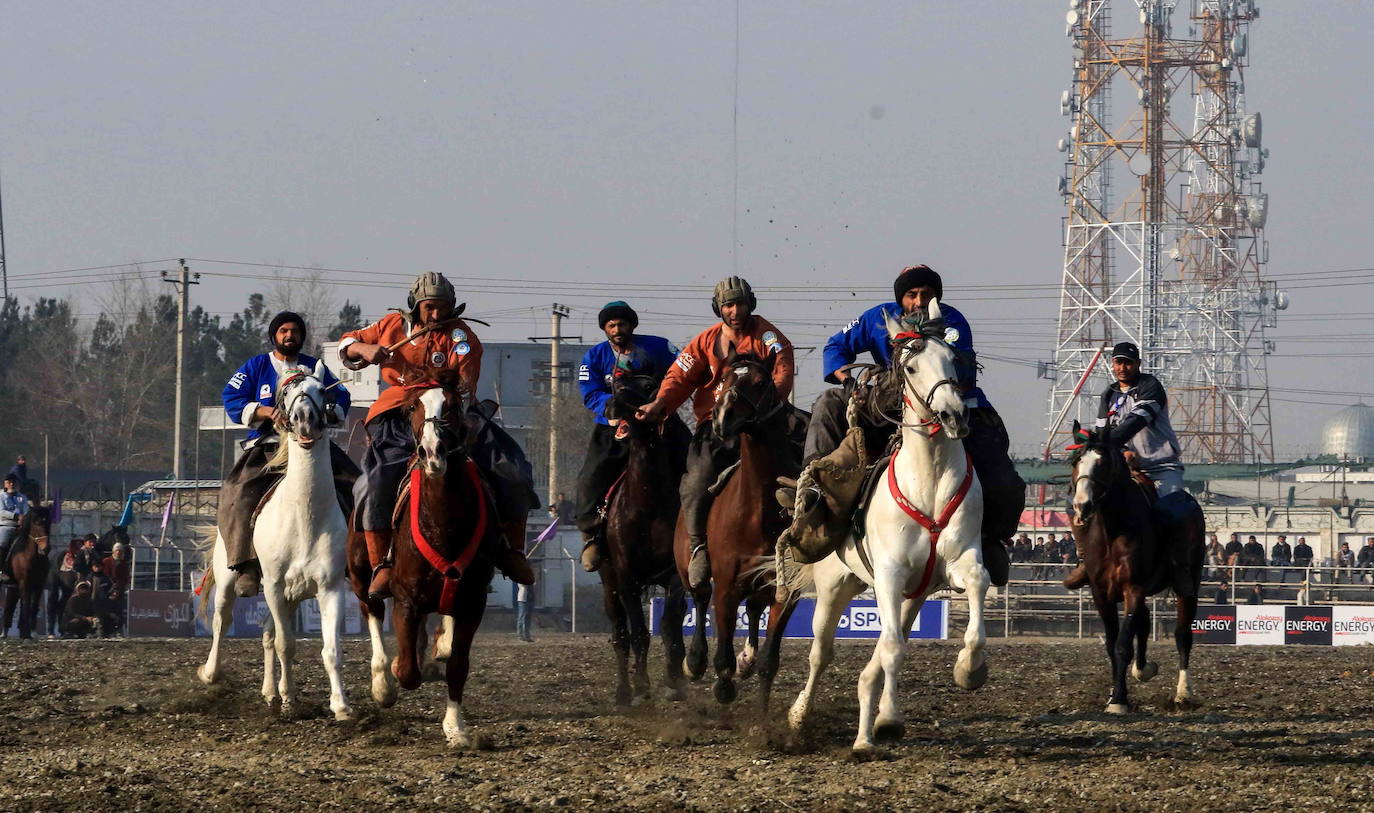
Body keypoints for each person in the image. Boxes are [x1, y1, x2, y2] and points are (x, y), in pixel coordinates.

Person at [781, 265, 1022, 586]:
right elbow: (835, 346)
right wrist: (848, 381)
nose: (920, 301)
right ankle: (812, 489)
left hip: (955, 406)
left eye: (927, 294)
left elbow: (958, 363)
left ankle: (991, 540)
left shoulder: (951, 321)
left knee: (1005, 482)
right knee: (827, 402)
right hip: (890, 403)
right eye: (912, 295)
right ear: (901, 298)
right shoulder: (877, 318)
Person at [339, 271, 536, 599]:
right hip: (399, 414)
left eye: (442, 308)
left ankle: (511, 551)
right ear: (415, 307)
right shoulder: (390, 327)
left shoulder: (461, 336)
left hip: (452, 415)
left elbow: (465, 385)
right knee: (374, 482)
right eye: (429, 308)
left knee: (512, 470)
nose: (436, 315)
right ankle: (382, 566)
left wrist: (441, 391)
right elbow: (347, 342)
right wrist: (364, 349)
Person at [635, 276, 799, 589]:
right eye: (728, 304)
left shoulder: (768, 336)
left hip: (763, 423)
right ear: (718, 308)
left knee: (801, 469)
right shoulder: (702, 343)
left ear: (750, 304)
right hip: (716, 427)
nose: (735, 310)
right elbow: (677, 379)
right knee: (696, 480)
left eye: (740, 303)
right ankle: (697, 547)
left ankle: (801, 544)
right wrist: (659, 404)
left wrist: (773, 398)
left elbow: (783, 369)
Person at [219, 311, 359, 597]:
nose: (289, 335)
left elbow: (340, 395)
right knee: (237, 490)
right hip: (268, 445)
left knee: (356, 484)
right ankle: (244, 563)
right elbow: (231, 398)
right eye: (283, 330)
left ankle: (360, 559)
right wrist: (266, 411)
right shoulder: (256, 366)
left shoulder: (314, 367)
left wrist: (330, 411)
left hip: (311, 443)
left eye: (294, 331)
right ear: (274, 335)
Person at [572, 301, 688, 572]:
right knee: (589, 478)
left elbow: (683, 373)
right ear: (604, 329)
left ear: (632, 325)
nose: (617, 329)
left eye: (622, 324)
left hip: (660, 423)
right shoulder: (594, 357)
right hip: (614, 429)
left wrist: (662, 402)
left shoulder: (660, 347)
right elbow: (589, 392)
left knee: (695, 465)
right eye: (611, 325)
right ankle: (592, 537)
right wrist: (609, 405)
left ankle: (700, 535)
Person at [1065, 341, 1186, 589]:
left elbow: (1137, 420)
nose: (1123, 367)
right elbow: (1103, 433)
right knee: (1076, 501)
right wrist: (1119, 451)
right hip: (1124, 469)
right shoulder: (1108, 395)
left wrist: (1114, 444)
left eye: (1128, 362)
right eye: (1118, 362)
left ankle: (1179, 568)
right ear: (1112, 365)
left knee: (1173, 510)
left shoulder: (1150, 387)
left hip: (1161, 466)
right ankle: (1084, 560)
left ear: (1138, 364)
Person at [46, 540, 81, 639]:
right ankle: (51, 629)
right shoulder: (63, 556)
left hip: (70, 583)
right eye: (76, 550)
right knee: (52, 600)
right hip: (56, 578)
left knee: (65, 605)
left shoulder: (83, 556)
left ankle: (63, 630)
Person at [0, 473, 30, 581]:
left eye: (13, 482)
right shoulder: (1, 496)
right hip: (6, 526)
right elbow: (1, 512)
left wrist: (25, 518)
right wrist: (16, 516)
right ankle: (1, 570)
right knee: (2, 543)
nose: (12, 484)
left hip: (20, 527)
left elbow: (27, 511)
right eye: (9, 482)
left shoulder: (22, 498)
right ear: (5, 483)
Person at [98, 543, 131, 635]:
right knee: (107, 611)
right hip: (107, 591)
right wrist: (111, 589)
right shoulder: (107, 561)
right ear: (113, 551)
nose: (118, 553)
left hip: (119, 591)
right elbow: (105, 576)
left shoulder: (124, 564)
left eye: (120, 551)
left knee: (119, 611)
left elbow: (125, 578)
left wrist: (120, 588)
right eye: (117, 551)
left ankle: (118, 630)